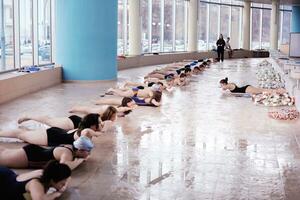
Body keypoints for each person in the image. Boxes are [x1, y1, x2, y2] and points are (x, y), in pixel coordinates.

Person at [0, 113, 102, 146]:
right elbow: (86, 132)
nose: (101, 124)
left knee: (24, 134)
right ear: (93, 125)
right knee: (21, 134)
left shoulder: (82, 130)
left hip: (55, 133)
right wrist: (97, 134)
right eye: (99, 123)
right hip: (51, 137)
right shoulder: (85, 132)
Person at [0, 135, 93, 170]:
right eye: (88, 151)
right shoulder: (67, 154)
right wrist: (79, 161)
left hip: (33, 152)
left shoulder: (70, 146)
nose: (89, 154)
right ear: (80, 150)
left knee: (4, 151)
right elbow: (63, 168)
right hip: (29, 157)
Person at [0, 160, 71, 200]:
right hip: (3, 182)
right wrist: (54, 194)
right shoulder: (36, 184)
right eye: (62, 184)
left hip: (8, 175)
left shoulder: (45, 173)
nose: (63, 186)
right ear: (52, 180)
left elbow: (67, 179)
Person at [219, 77, 286, 95]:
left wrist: (221, 87)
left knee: (262, 91)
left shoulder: (227, 86)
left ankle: (279, 91)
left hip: (247, 89)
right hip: (247, 88)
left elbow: (223, 89)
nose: (221, 86)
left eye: (221, 84)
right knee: (262, 90)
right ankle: (278, 90)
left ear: (224, 84)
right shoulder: (230, 84)